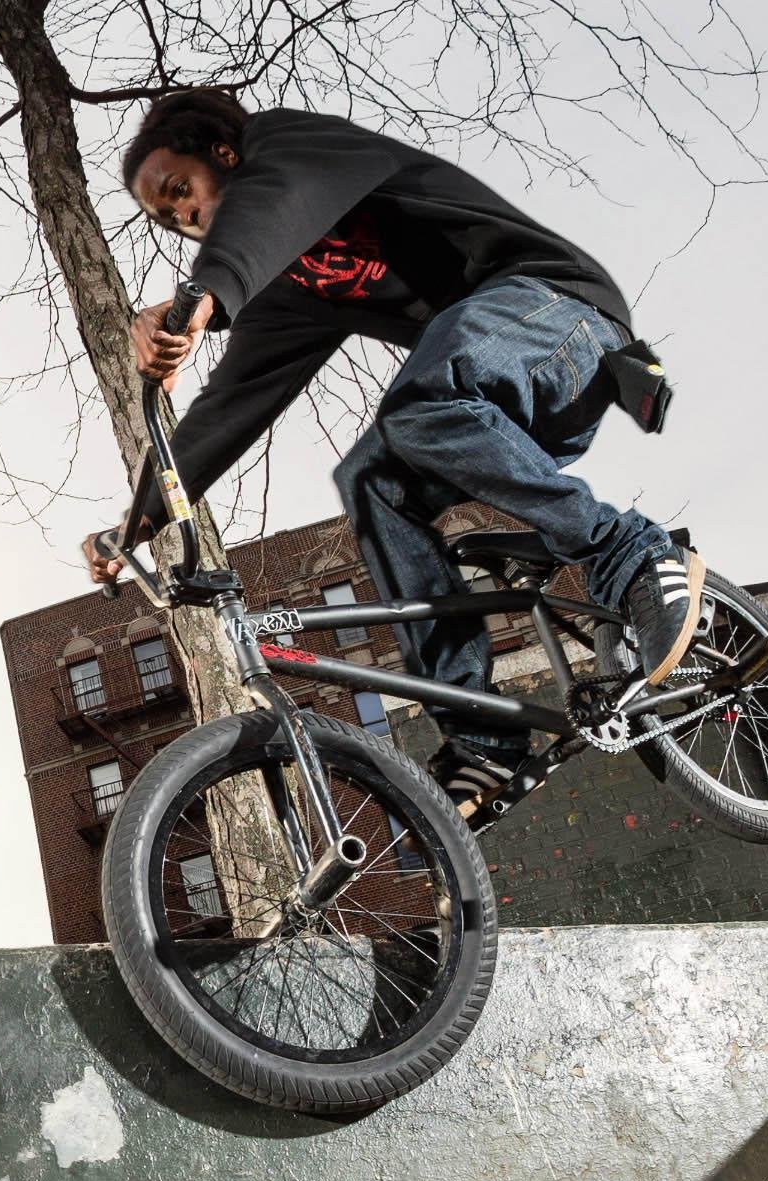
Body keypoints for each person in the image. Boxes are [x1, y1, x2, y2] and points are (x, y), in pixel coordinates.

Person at [87, 88, 705, 822]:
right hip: (495, 405)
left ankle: (632, 553)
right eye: (166, 218)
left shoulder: (289, 146)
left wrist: (204, 296)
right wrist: (135, 527)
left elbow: (272, 200)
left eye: (180, 191)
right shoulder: (287, 291)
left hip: (563, 319)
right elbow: (228, 408)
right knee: (372, 479)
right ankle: (483, 739)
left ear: (224, 154)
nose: (182, 217)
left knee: (417, 406)